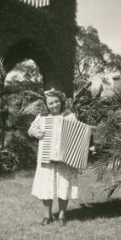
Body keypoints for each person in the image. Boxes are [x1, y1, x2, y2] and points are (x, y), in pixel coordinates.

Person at [28, 88, 80, 227]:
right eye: (51, 103)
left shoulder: (70, 116)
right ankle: (47, 216)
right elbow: (30, 129)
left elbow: (77, 135)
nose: (54, 105)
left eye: (56, 101)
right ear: (47, 105)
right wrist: (35, 132)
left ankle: (62, 215)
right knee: (46, 186)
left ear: (61, 101)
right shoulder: (42, 117)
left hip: (65, 159)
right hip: (46, 159)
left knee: (64, 185)